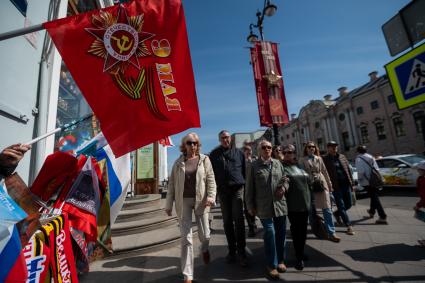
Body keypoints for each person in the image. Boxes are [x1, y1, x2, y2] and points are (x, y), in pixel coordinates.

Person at [165, 133, 217, 283]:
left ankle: (205, 249)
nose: (192, 145)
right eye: (189, 143)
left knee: (205, 235)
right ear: (184, 145)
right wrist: (168, 205)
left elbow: (211, 180)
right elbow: (171, 186)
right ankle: (188, 274)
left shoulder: (205, 160)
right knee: (186, 238)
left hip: (201, 201)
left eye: (195, 143)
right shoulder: (177, 163)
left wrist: (211, 196)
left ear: (198, 145)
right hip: (184, 202)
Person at [245, 140, 288, 279]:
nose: (267, 149)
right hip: (263, 206)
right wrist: (250, 206)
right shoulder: (254, 165)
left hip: (279, 205)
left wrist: (283, 187)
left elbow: (285, 179)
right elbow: (249, 187)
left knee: (281, 234)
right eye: (264, 147)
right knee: (270, 232)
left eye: (269, 147)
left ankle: (281, 260)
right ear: (259, 150)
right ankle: (271, 264)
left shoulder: (277, 163)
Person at [209, 130, 247, 266]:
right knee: (227, 222)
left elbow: (244, 171)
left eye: (227, 137)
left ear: (230, 139)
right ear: (219, 139)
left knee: (239, 220)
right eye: (223, 138)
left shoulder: (239, 153)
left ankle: (242, 252)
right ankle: (232, 251)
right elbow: (210, 174)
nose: (226, 140)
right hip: (223, 192)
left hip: (237, 189)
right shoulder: (214, 155)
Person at [300, 141, 341, 242]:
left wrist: (330, 185)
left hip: (322, 184)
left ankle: (331, 233)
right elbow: (301, 174)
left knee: (327, 208)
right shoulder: (302, 160)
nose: (311, 148)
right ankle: (318, 231)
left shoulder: (319, 158)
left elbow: (325, 172)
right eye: (309, 147)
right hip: (310, 185)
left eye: (313, 147)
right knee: (312, 211)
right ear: (306, 149)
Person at [281, 144, 311, 271]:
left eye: (291, 152)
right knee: (296, 231)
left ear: (294, 153)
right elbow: (282, 182)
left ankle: (301, 251)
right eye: (286, 152)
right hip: (292, 205)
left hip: (305, 203)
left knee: (303, 230)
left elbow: (307, 183)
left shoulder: (299, 166)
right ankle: (298, 257)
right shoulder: (282, 167)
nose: (288, 154)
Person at [322, 141, 355, 235]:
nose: (334, 148)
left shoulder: (342, 156)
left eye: (335, 146)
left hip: (346, 184)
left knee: (349, 204)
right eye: (332, 146)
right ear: (328, 148)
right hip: (335, 187)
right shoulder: (324, 159)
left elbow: (348, 170)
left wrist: (352, 183)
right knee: (341, 206)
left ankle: (336, 214)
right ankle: (348, 225)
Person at [355, 145, 388, 224]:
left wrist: (358, 180)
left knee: (374, 197)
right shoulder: (371, 157)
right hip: (375, 179)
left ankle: (382, 216)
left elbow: (360, 172)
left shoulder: (359, 159)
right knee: (373, 195)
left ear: (358, 151)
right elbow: (376, 168)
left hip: (367, 181)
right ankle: (371, 211)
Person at [243, 144, 257, 237]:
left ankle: (253, 221)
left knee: (255, 206)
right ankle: (251, 227)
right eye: (246, 150)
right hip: (245, 188)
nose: (248, 151)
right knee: (248, 207)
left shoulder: (255, 161)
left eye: (250, 150)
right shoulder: (241, 163)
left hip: (256, 187)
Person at [414, 161, 425, 247]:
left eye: (419, 169)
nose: (418, 171)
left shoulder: (423, 179)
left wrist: (418, 205)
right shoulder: (421, 178)